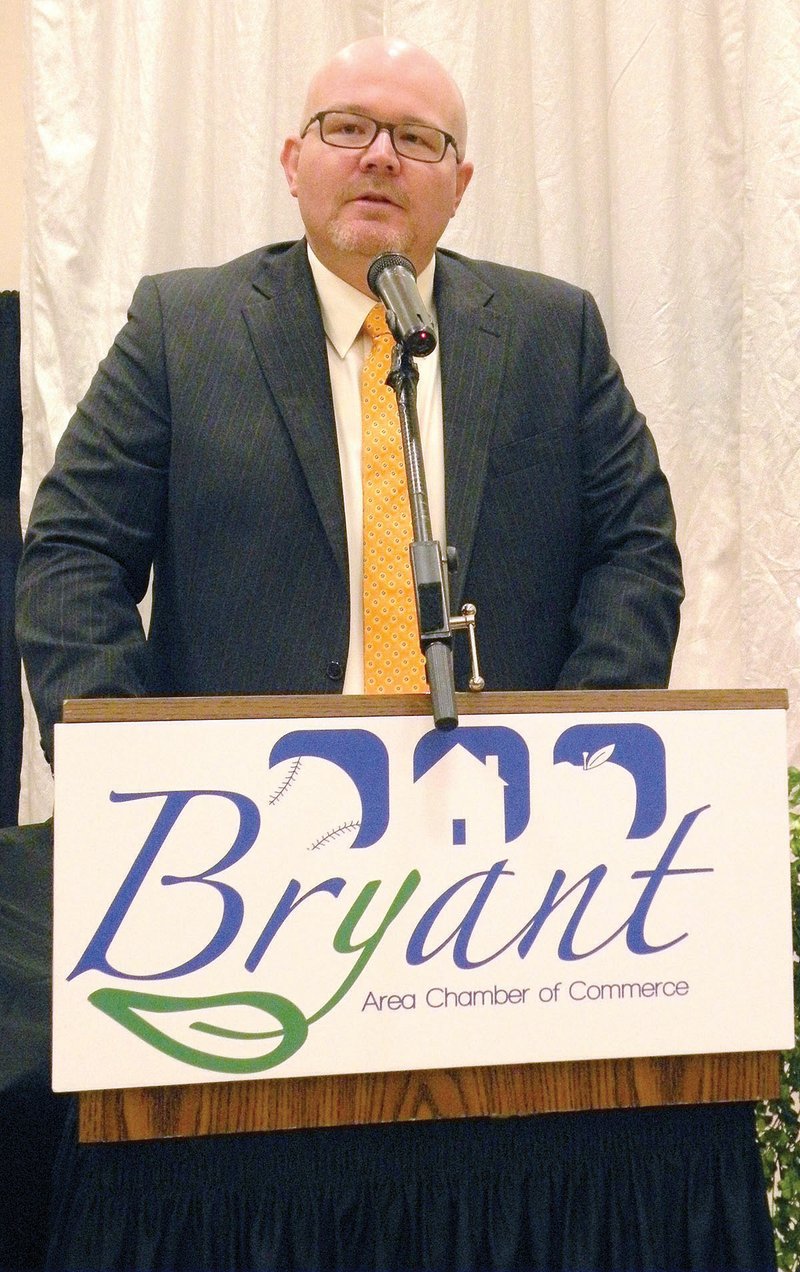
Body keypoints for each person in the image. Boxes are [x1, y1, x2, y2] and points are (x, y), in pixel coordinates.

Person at [15, 35, 776, 1272]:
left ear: (458, 182)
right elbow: (71, 558)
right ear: (292, 160)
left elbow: (635, 548)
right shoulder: (182, 324)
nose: (379, 154)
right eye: (346, 127)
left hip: (504, 893)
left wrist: (567, 764)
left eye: (416, 138)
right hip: (244, 884)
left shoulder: (550, 332)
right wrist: (131, 776)